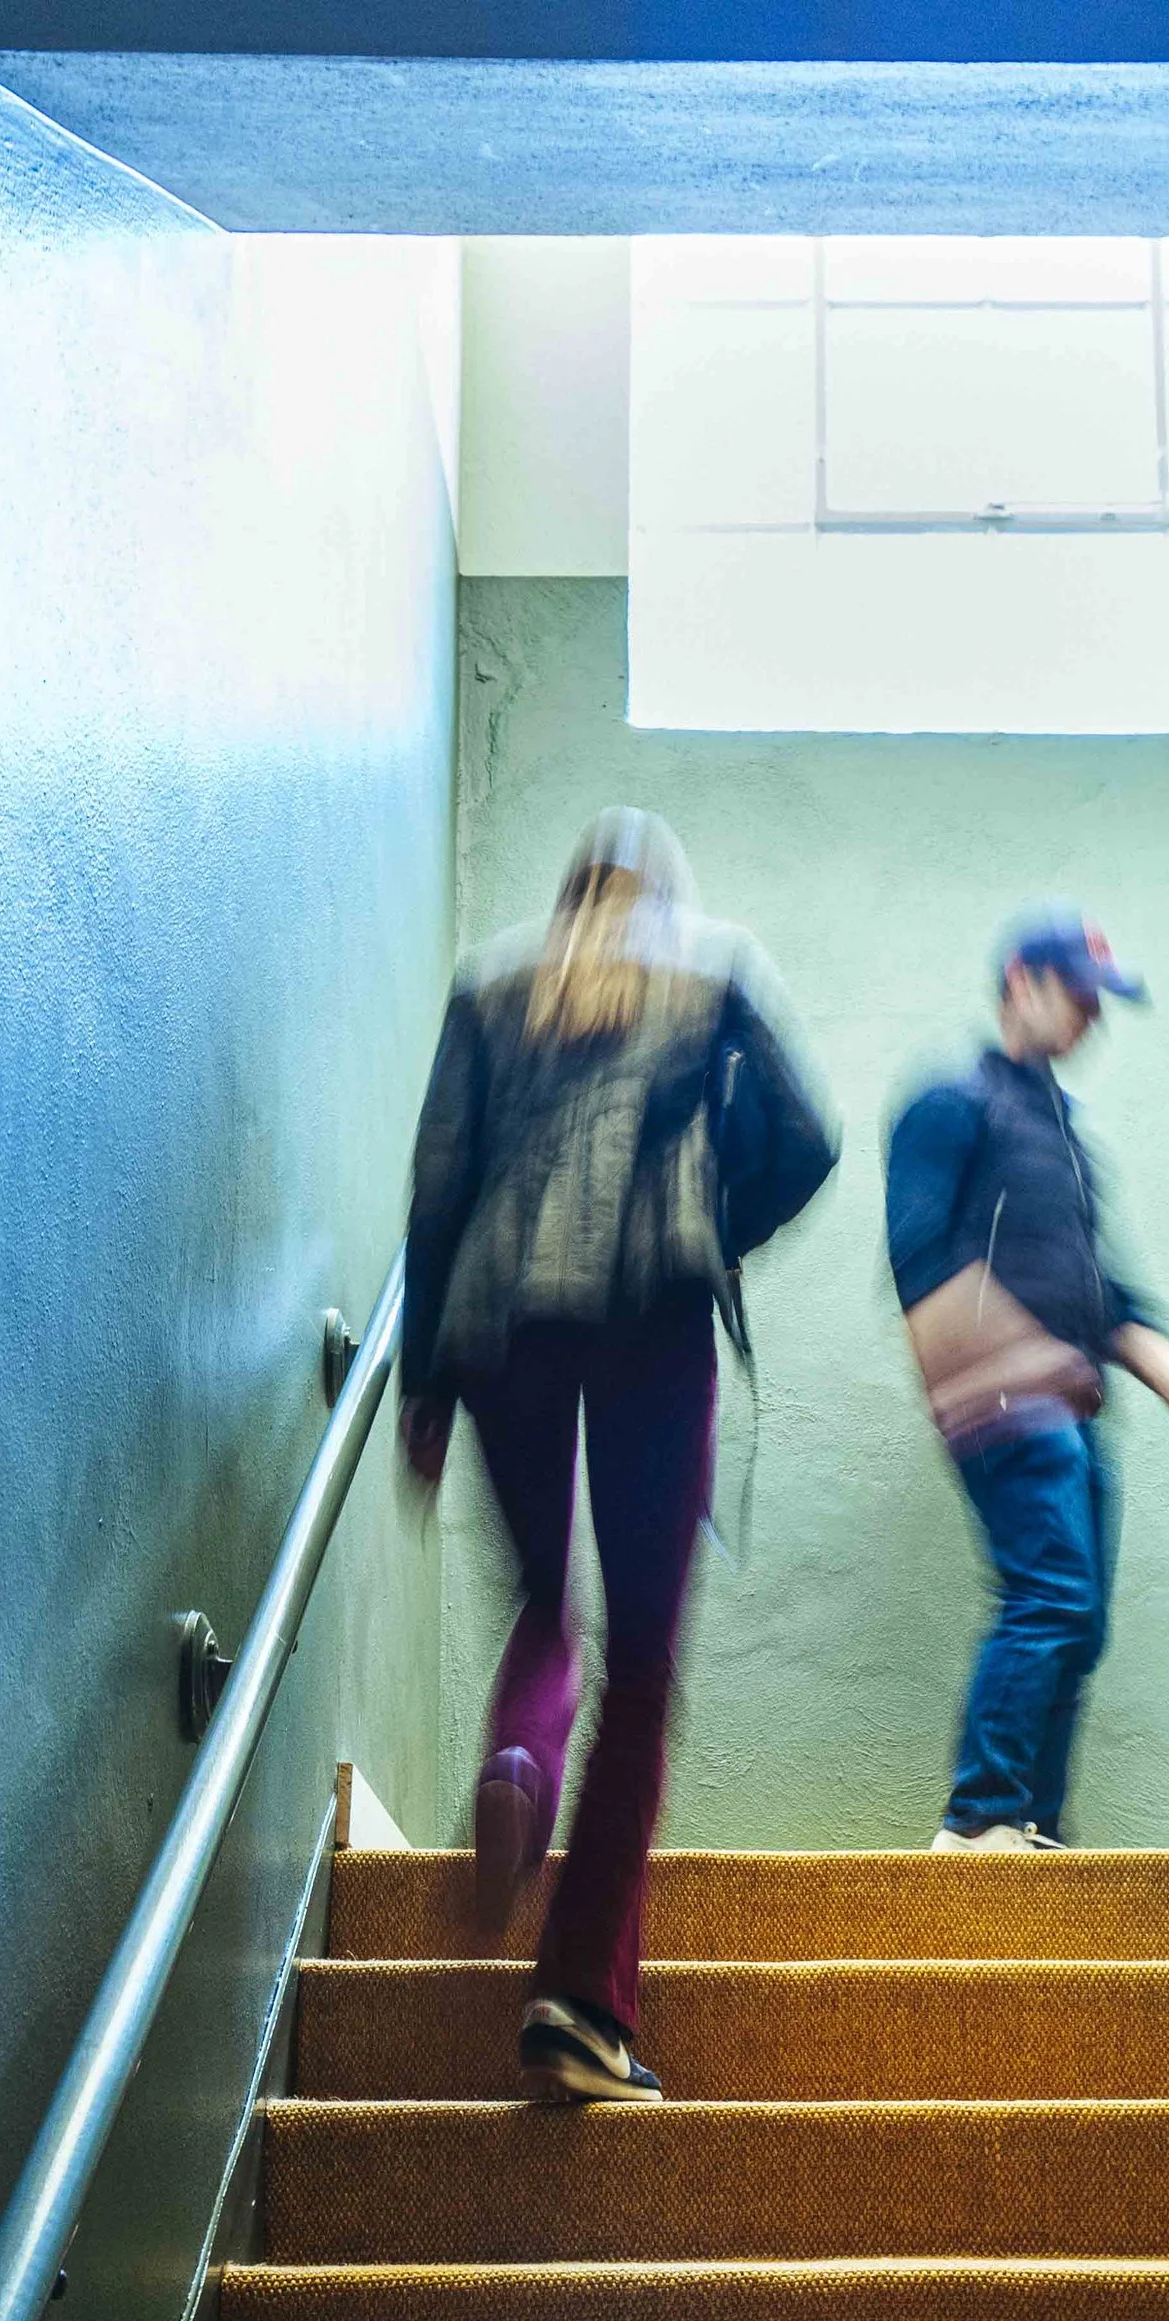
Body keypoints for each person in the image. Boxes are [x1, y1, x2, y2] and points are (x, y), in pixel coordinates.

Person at [398, 810, 836, 2100]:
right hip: (652, 1317)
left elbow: (438, 1183)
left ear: (571, 884)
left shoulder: (489, 978)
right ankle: (580, 2001)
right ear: (666, 888)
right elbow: (807, 1137)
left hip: (497, 1329)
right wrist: (709, 1216)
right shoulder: (721, 962)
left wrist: (424, 1381)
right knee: (642, 1666)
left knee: (546, 1602)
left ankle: (517, 1768)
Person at [885, 903, 1169, 1854]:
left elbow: (1102, 1294)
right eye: (1077, 995)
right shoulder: (952, 1101)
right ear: (1019, 984)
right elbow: (917, 1253)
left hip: (1071, 1409)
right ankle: (977, 1818)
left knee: (1082, 1624)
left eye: (1099, 1003)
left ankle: (1034, 1830)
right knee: (1050, 1598)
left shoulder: (1063, 1132)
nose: (1090, 1018)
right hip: (1001, 1401)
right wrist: (999, 1364)